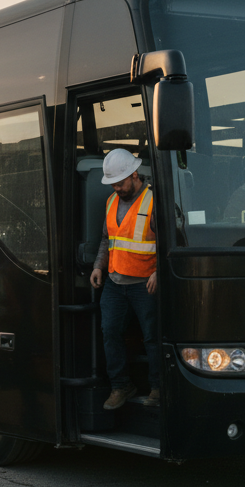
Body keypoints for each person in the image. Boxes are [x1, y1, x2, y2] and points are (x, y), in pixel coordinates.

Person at [90, 149, 160, 410]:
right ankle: (121, 386)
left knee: (152, 337)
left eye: (120, 182)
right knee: (110, 333)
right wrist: (99, 266)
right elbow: (107, 239)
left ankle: (158, 388)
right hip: (114, 283)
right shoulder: (111, 202)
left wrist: (158, 272)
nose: (116, 188)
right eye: (113, 184)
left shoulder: (154, 201)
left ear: (134, 174)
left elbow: (170, 243)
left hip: (145, 284)